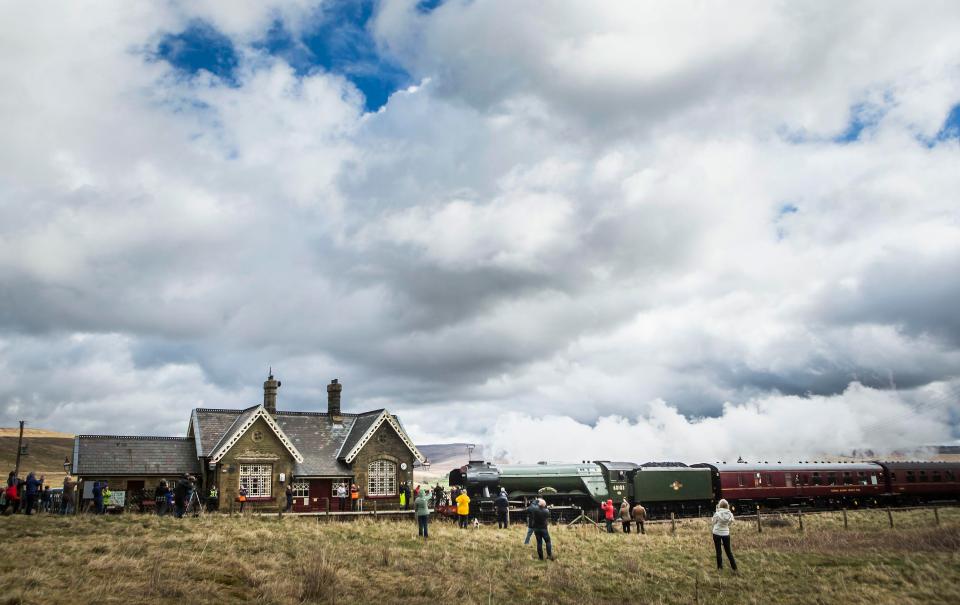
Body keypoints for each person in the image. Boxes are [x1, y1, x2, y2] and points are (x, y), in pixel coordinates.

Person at [711, 499, 737, 572]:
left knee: (718, 551)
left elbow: (713, 522)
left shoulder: (717, 513)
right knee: (728, 551)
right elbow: (730, 523)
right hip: (726, 533)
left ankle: (720, 568)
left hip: (716, 533)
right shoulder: (730, 514)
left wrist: (716, 511)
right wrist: (725, 525)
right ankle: (734, 567)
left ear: (719, 505)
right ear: (727, 505)